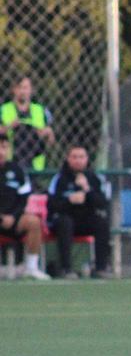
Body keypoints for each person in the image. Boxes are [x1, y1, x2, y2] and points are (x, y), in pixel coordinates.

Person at [47, 145, 111, 279]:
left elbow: (102, 203)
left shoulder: (94, 178)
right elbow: (52, 205)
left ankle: (101, 268)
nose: (78, 160)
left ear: (87, 159)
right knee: (65, 223)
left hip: (85, 220)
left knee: (102, 223)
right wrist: (69, 201)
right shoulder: (59, 179)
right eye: (74, 157)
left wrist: (87, 190)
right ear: (68, 159)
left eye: (81, 157)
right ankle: (66, 268)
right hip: (65, 220)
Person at [0, 134, 49, 280]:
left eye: (4, 147)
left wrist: (13, 216)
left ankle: (31, 267)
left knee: (33, 222)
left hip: (13, 218)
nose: (1, 151)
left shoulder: (17, 170)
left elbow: (24, 198)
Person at [0, 76, 55, 172]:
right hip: (10, 164)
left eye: (25, 88)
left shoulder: (41, 111)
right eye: (19, 87)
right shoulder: (3, 110)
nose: (22, 91)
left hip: (35, 167)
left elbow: (51, 142)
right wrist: (8, 127)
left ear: (31, 90)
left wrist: (48, 133)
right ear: (13, 90)